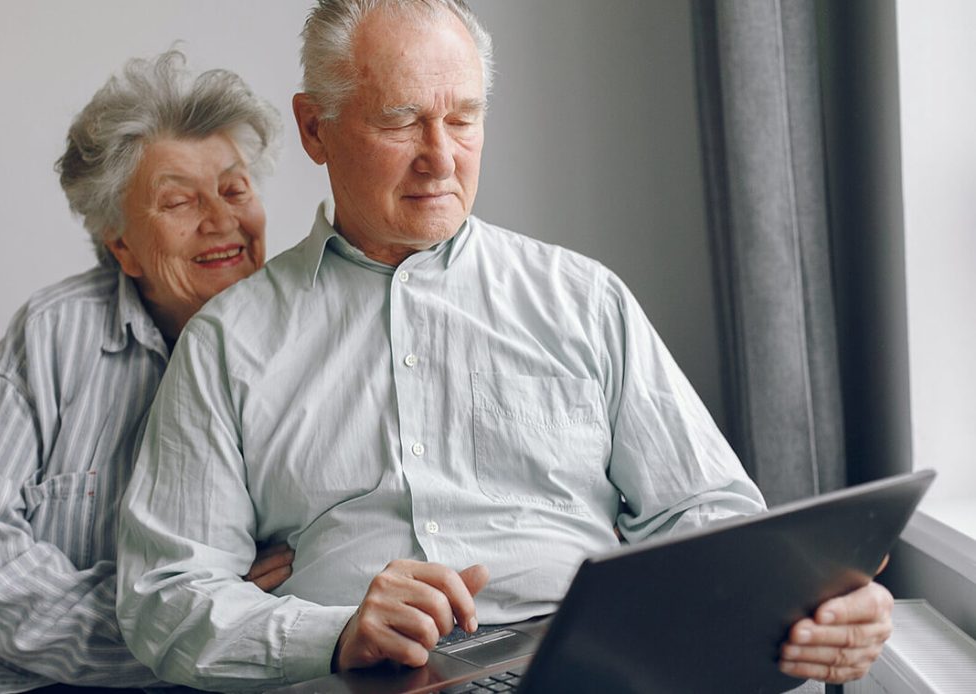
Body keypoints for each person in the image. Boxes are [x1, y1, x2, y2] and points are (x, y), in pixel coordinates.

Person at [116, 1, 894, 690]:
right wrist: (338, 633)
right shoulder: (228, 342)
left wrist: (806, 594)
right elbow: (165, 596)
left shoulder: (584, 301)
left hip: (590, 665)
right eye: (399, 120)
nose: (441, 156)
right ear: (315, 128)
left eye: (463, 118)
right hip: (358, 681)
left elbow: (706, 513)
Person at [0, 52, 293, 694]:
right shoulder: (49, 335)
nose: (221, 219)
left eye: (235, 188)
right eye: (180, 200)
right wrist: (180, 631)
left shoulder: (312, 340)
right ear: (121, 244)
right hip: (5, 672)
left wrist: (218, 632)